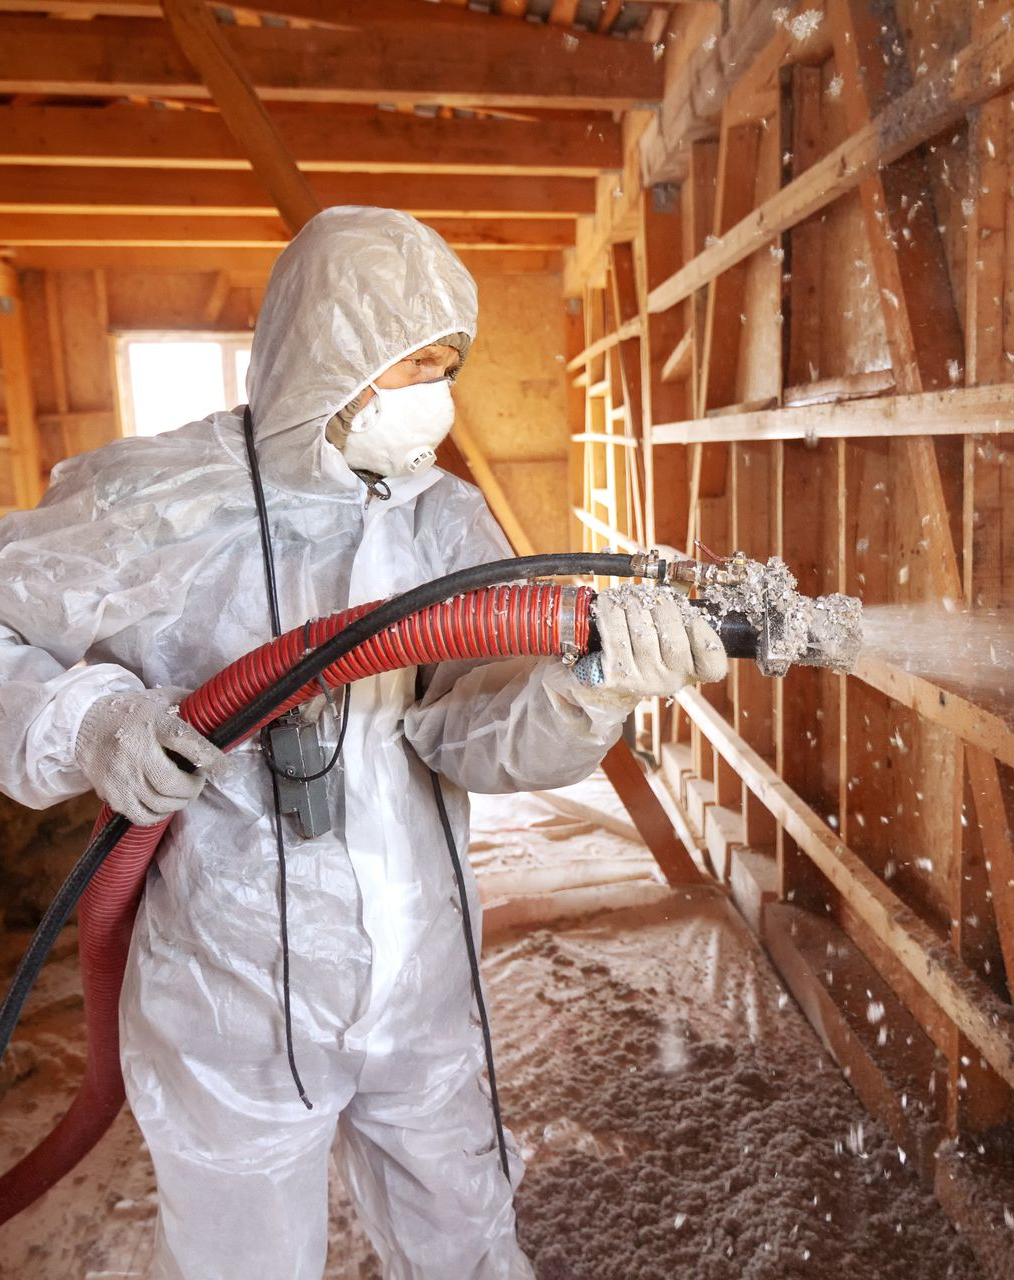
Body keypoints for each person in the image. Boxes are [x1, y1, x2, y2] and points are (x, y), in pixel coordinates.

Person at [0, 206, 726, 1279]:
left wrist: (589, 690)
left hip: (422, 988)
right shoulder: (155, 502)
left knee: (472, 1244)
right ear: (322, 360)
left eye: (448, 364)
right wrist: (97, 719)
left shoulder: (440, 521)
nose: (433, 395)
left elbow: (470, 734)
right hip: (229, 996)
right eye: (407, 364)